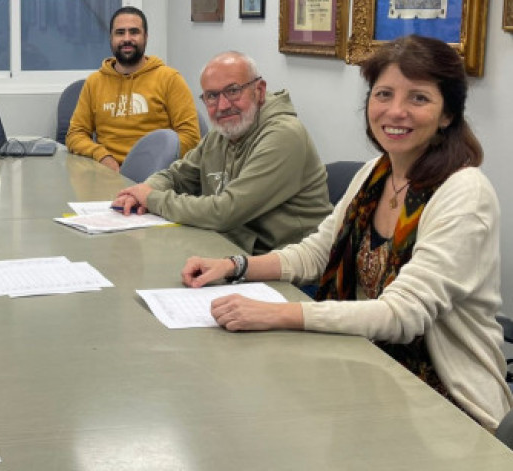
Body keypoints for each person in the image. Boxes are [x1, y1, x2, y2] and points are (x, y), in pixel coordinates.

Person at [181, 35, 513, 431]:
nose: (396, 111)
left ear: (447, 114)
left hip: (445, 403)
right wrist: (233, 266)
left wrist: (276, 314)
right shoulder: (376, 174)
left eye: (419, 98)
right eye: (384, 94)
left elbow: (400, 315)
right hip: (367, 366)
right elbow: (315, 253)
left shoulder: (463, 192)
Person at [112, 51, 332, 255]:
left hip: (293, 272)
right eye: (212, 96)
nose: (223, 105)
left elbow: (225, 211)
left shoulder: (284, 135)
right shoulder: (224, 132)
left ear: (260, 90)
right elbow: (177, 176)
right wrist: (143, 191)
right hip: (233, 252)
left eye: (233, 91)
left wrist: (151, 198)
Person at [66, 6, 201, 172]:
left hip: (156, 176)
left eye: (134, 32)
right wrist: (102, 156)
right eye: (120, 32)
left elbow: (190, 137)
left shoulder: (169, 79)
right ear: (111, 37)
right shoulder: (95, 82)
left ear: (145, 37)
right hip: (108, 174)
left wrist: (152, 163)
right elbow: (75, 134)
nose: (127, 39)